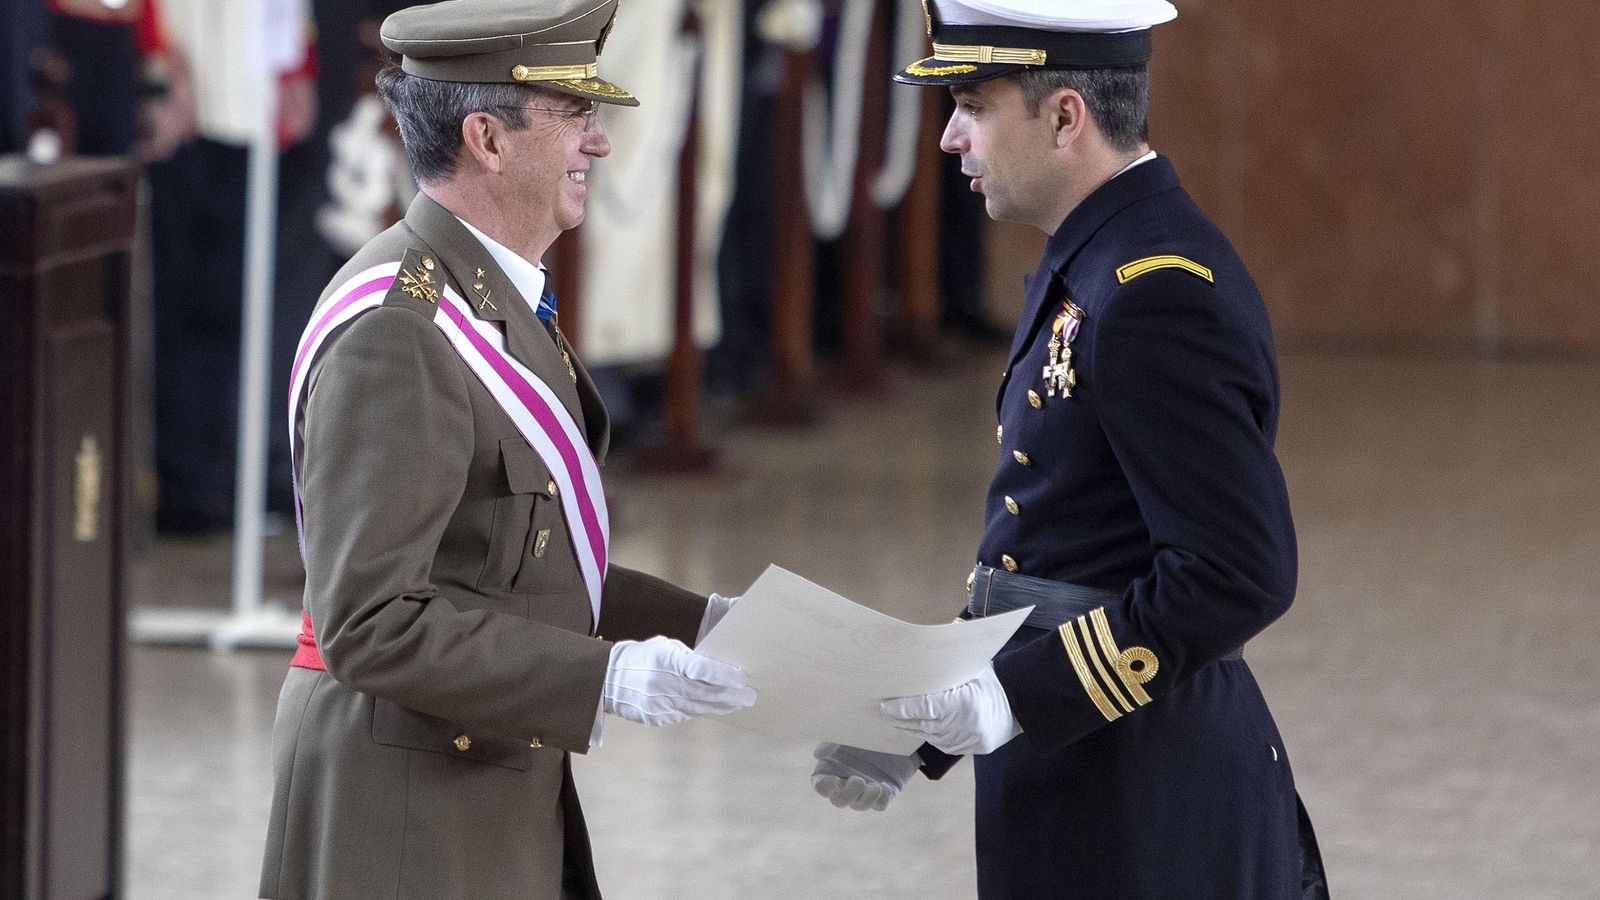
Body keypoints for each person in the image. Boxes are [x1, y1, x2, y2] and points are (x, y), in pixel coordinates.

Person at [810, 1, 1331, 897]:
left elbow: (1237, 573)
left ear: (1064, 116)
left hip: (1148, 796)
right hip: (1083, 764)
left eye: (972, 104)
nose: (949, 138)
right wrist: (923, 721)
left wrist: (1011, 698)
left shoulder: (1155, 293)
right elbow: (1056, 543)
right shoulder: (1096, 257)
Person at [258, 2, 754, 897]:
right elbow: (369, 623)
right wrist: (608, 677)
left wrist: (708, 627)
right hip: (405, 811)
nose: (598, 143)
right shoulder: (401, 331)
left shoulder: (490, 294)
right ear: (487, 138)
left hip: (480, 778)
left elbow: (511, 570)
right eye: (575, 115)